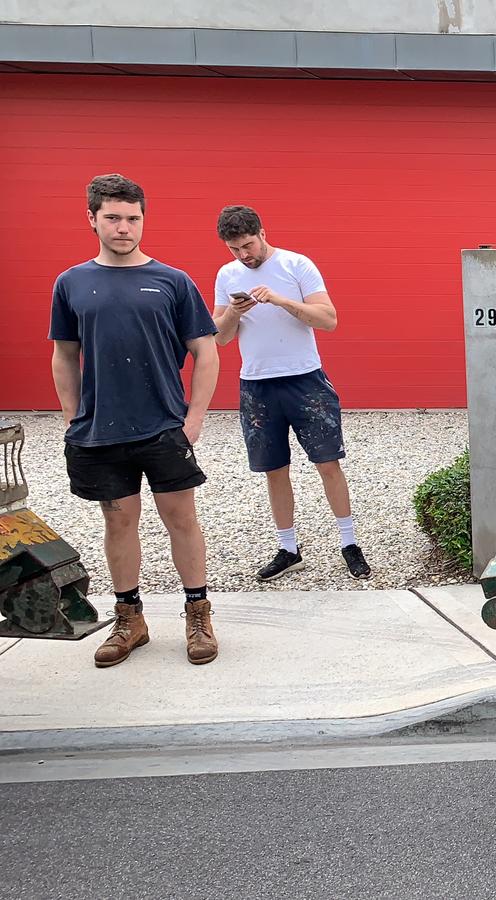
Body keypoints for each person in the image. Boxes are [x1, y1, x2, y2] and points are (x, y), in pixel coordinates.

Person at [49, 174, 221, 668]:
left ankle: (198, 614)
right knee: (118, 521)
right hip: (99, 432)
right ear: (92, 220)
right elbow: (64, 354)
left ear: (143, 219)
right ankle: (130, 620)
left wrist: (193, 419)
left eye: (133, 218)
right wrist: (71, 417)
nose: (124, 227)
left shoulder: (173, 281)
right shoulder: (72, 282)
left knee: (181, 519)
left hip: (164, 427)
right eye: (113, 218)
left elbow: (205, 353)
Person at [211, 205, 371, 581]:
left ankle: (349, 543)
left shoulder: (297, 265)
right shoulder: (227, 274)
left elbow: (328, 320)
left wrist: (280, 300)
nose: (243, 255)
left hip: (305, 380)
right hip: (256, 384)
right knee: (274, 471)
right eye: (235, 249)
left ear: (262, 233)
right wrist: (235, 312)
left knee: (328, 463)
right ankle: (288, 548)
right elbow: (219, 336)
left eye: (248, 245)